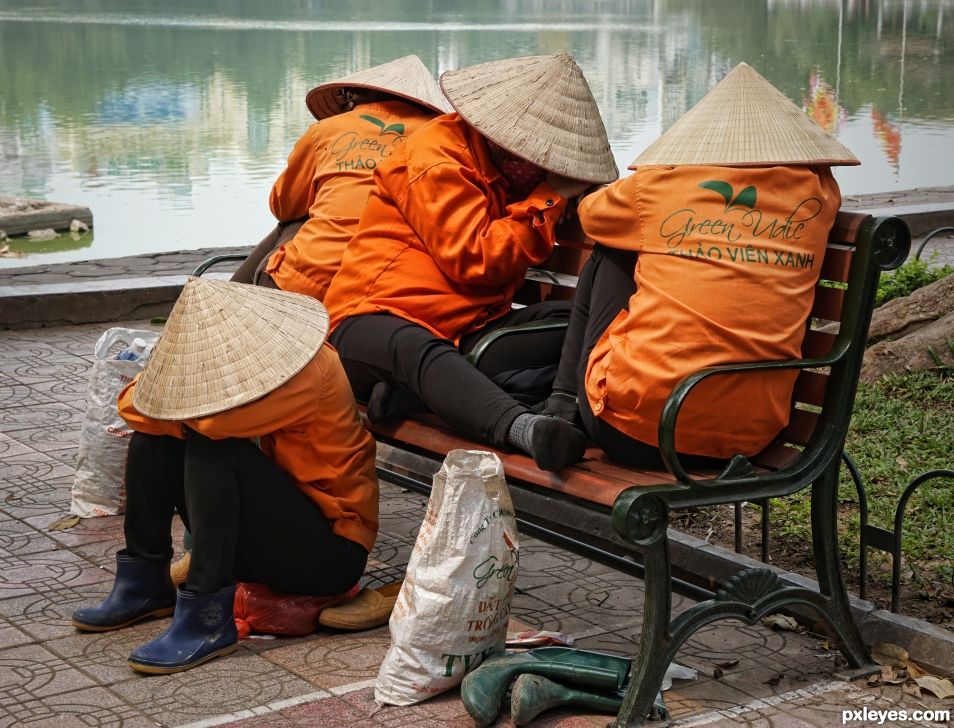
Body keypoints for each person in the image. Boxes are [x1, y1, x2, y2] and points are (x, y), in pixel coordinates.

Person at [540, 62, 859, 468]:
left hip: (635, 431)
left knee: (613, 251)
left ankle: (562, 403)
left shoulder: (660, 185)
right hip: (751, 438)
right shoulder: (818, 194)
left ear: (700, 138)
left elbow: (591, 216)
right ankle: (562, 405)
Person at [321, 53, 618, 472]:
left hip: (469, 333)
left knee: (582, 325)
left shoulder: (513, 173)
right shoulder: (438, 157)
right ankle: (525, 430)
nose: (536, 164)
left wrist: (564, 197)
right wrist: (548, 196)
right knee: (417, 350)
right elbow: (476, 259)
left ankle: (422, 396)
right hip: (373, 322)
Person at [70, 278, 379, 674]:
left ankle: (206, 615)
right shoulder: (239, 365)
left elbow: (215, 424)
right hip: (266, 539)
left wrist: (176, 412)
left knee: (211, 447)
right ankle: (145, 582)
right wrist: (174, 408)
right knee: (155, 439)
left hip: (328, 556)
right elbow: (133, 403)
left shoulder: (310, 367)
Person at [231, 55, 450, 298]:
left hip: (306, 283)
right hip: (389, 287)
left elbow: (283, 206)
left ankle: (232, 297)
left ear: (353, 95)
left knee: (294, 220)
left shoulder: (325, 131)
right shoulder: (441, 139)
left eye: (345, 94)